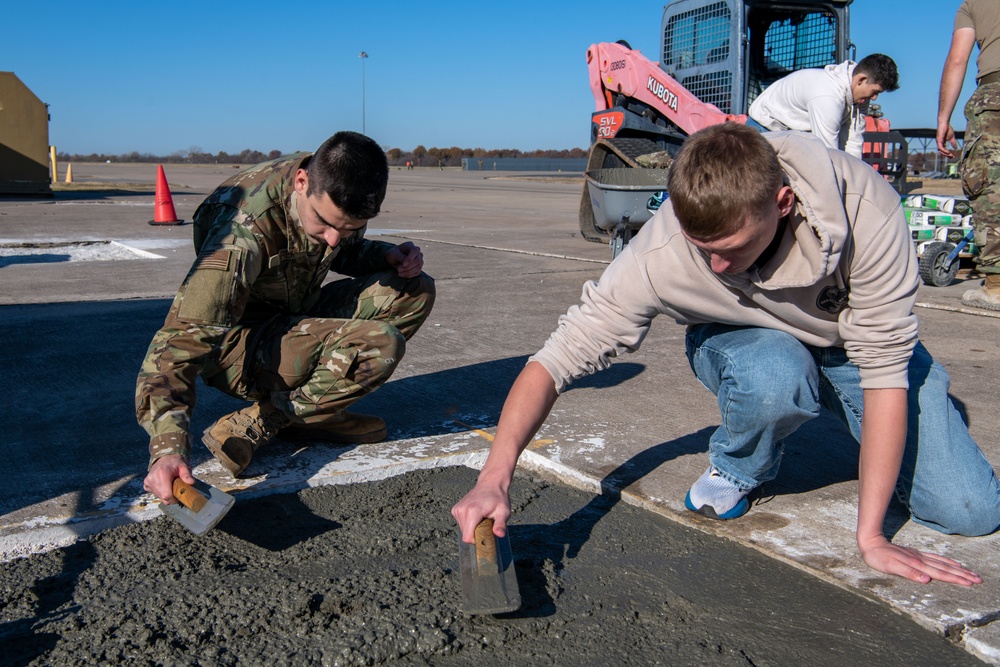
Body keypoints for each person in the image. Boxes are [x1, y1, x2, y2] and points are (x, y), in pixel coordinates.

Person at [452, 123, 1000, 587]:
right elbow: (554, 360)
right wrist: (495, 476)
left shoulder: (864, 210)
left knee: (970, 511)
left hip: (855, 345)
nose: (715, 268)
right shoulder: (660, 254)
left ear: (782, 203)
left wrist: (871, 537)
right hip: (747, 340)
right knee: (773, 374)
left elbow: (884, 374)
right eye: (701, 249)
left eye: (731, 250)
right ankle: (741, 466)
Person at [138, 131, 435, 504]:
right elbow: (178, 343)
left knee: (414, 288)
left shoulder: (329, 184)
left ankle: (310, 414)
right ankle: (271, 417)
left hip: (292, 313)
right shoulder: (240, 236)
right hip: (238, 345)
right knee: (379, 343)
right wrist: (167, 449)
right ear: (301, 182)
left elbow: (340, 250)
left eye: (349, 228)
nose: (333, 238)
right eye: (325, 224)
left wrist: (386, 255)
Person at [937, 0, 1000, 311]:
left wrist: (943, 118)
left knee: (991, 187)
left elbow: (958, 59)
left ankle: (997, 287)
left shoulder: (975, 3)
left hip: (995, 93)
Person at [748, 54, 899, 159]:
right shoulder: (827, 96)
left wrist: (854, 179)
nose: (874, 98)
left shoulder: (859, 98)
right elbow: (827, 152)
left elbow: (853, 140)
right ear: (861, 80)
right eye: (875, 92)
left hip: (790, 134)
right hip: (764, 130)